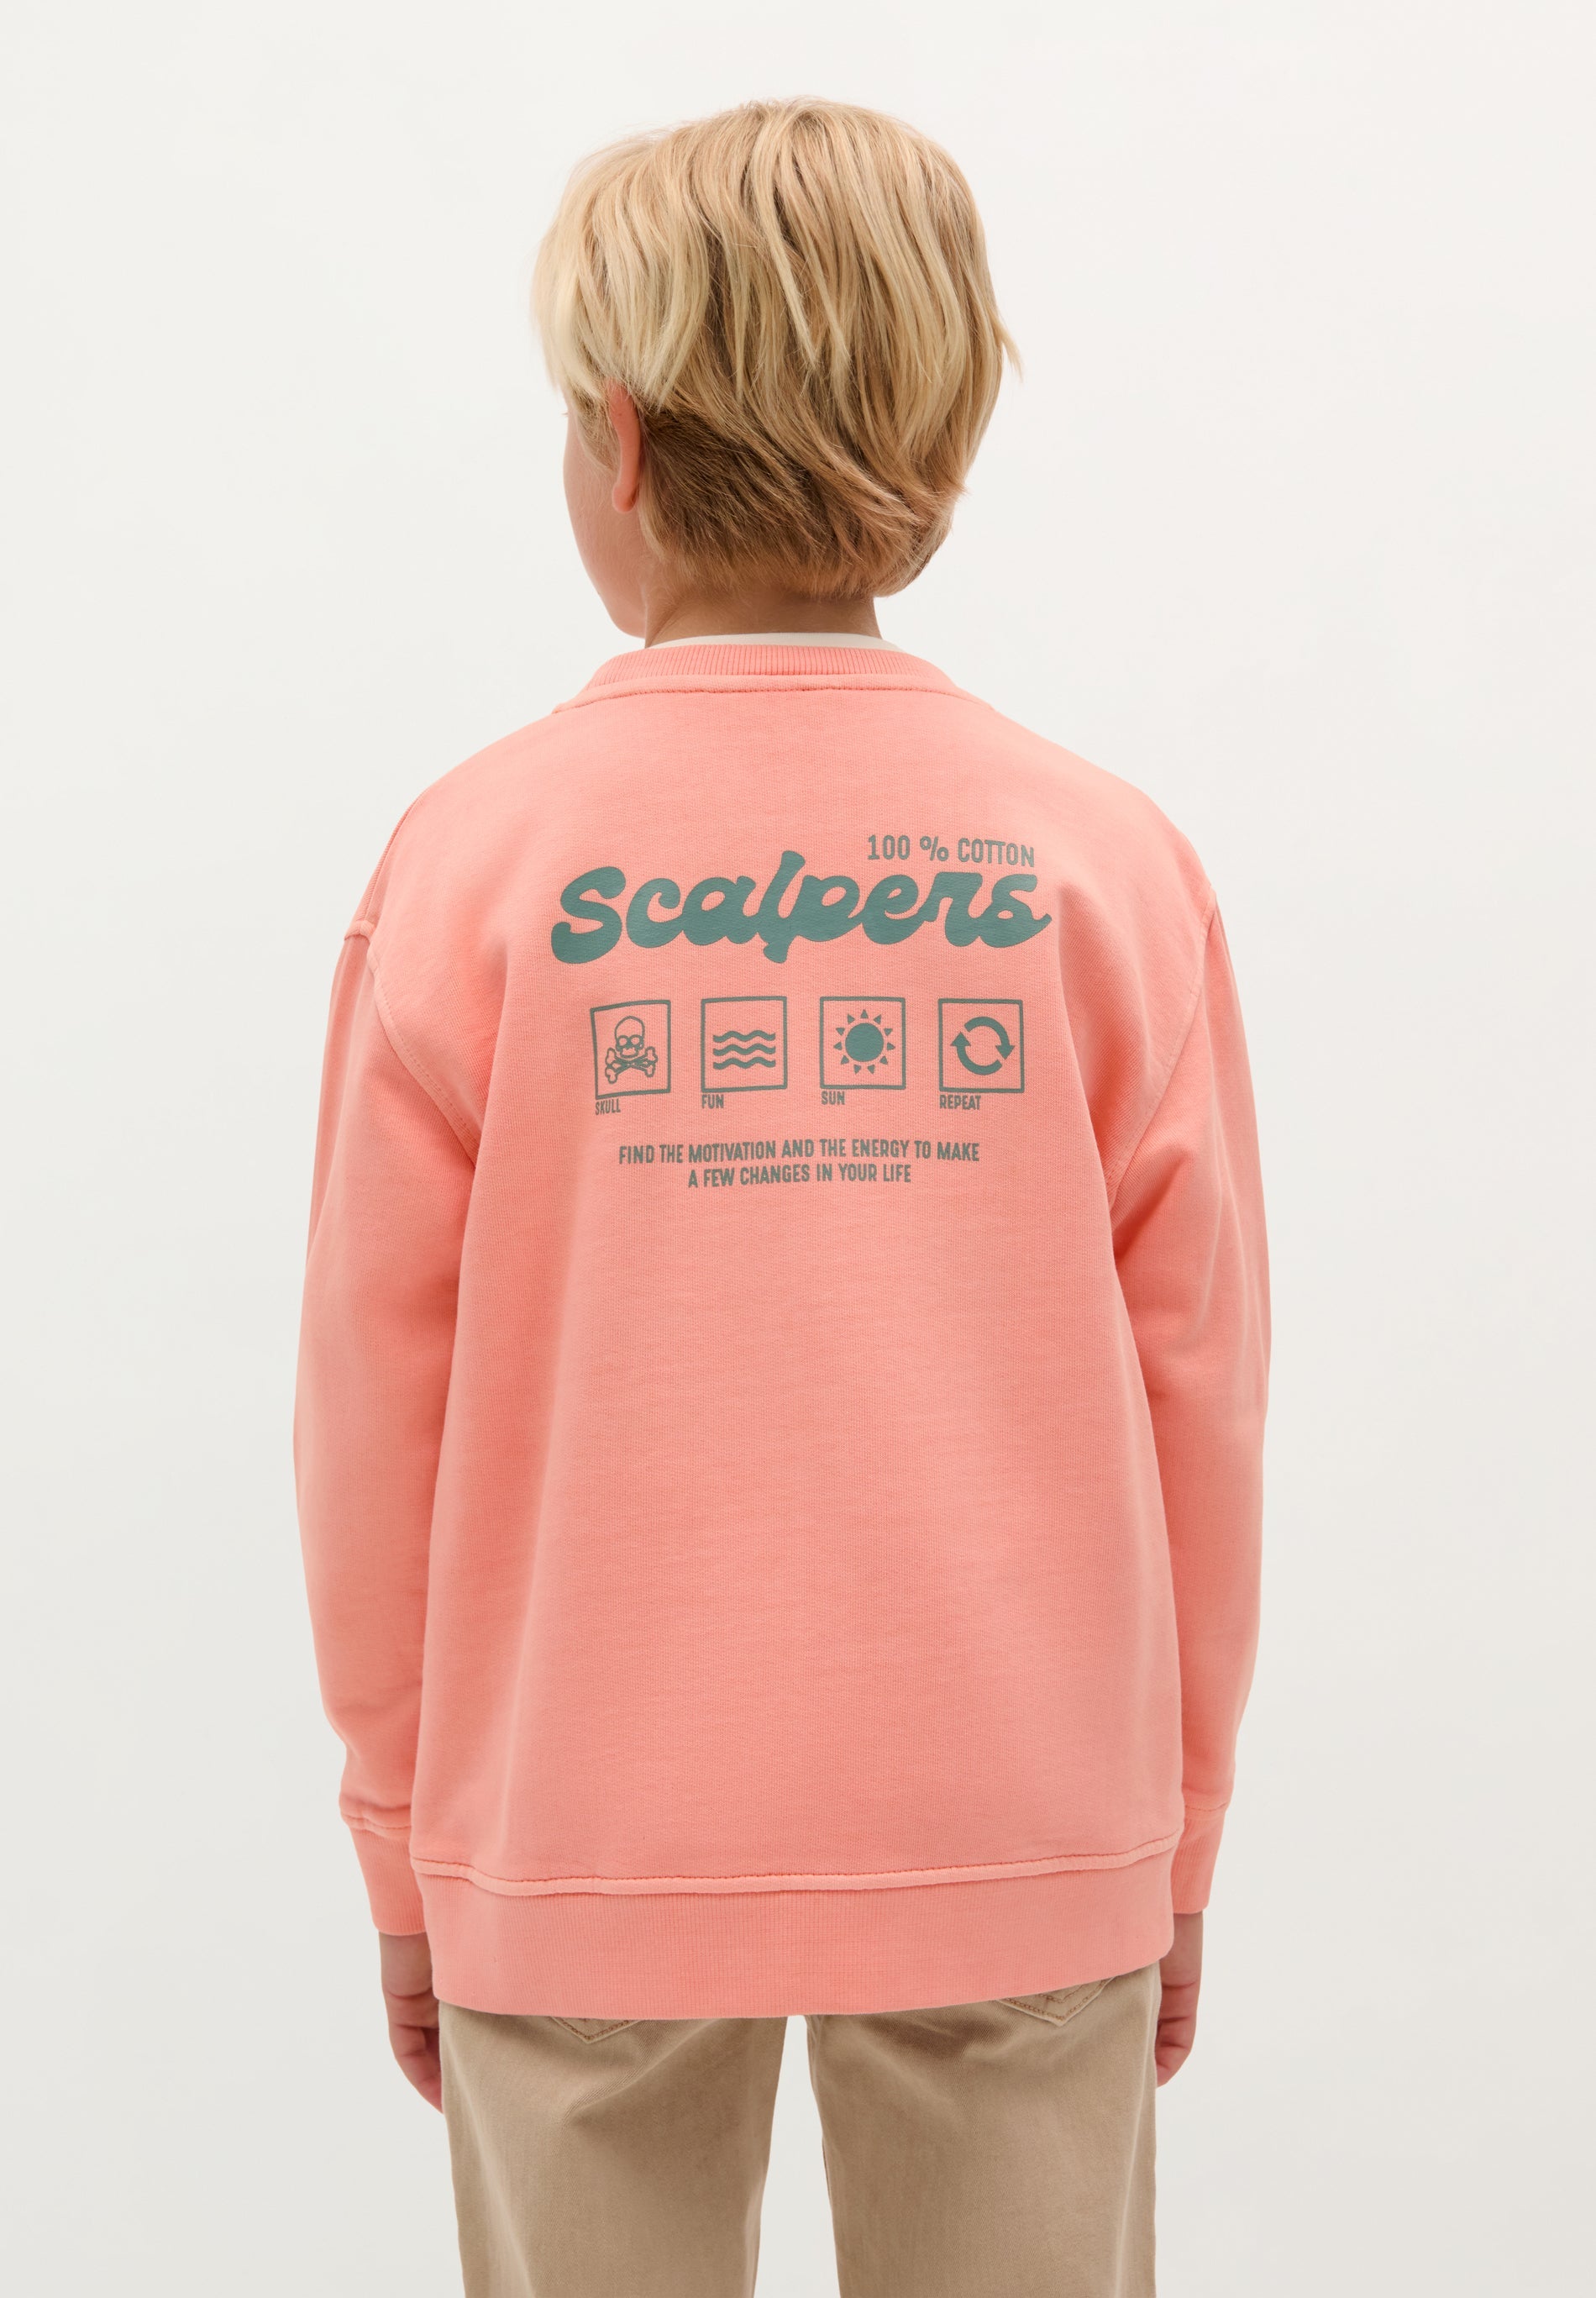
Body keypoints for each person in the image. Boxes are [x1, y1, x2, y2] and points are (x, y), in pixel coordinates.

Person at [295, 96, 1269, 2297]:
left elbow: (370, 1411)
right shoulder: (1102, 866)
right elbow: (1200, 1396)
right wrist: (1176, 1833)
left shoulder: (471, 866)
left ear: (619, 446)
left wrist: (403, 1840)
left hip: (578, 1821)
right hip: (1018, 1812)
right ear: (941, 435)